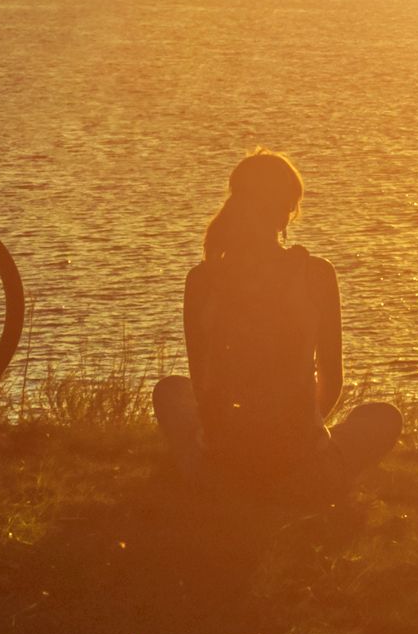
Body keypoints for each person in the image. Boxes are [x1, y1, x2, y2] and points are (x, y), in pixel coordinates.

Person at [155, 150, 400, 497]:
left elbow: (201, 384)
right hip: (301, 465)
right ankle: (309, 476)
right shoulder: (316, 275)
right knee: (383, 417)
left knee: (169, 391)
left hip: (221, 465)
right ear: (286, 213)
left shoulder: (202, 279)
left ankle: (212, 473)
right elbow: (332, 379)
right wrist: (301, 429)